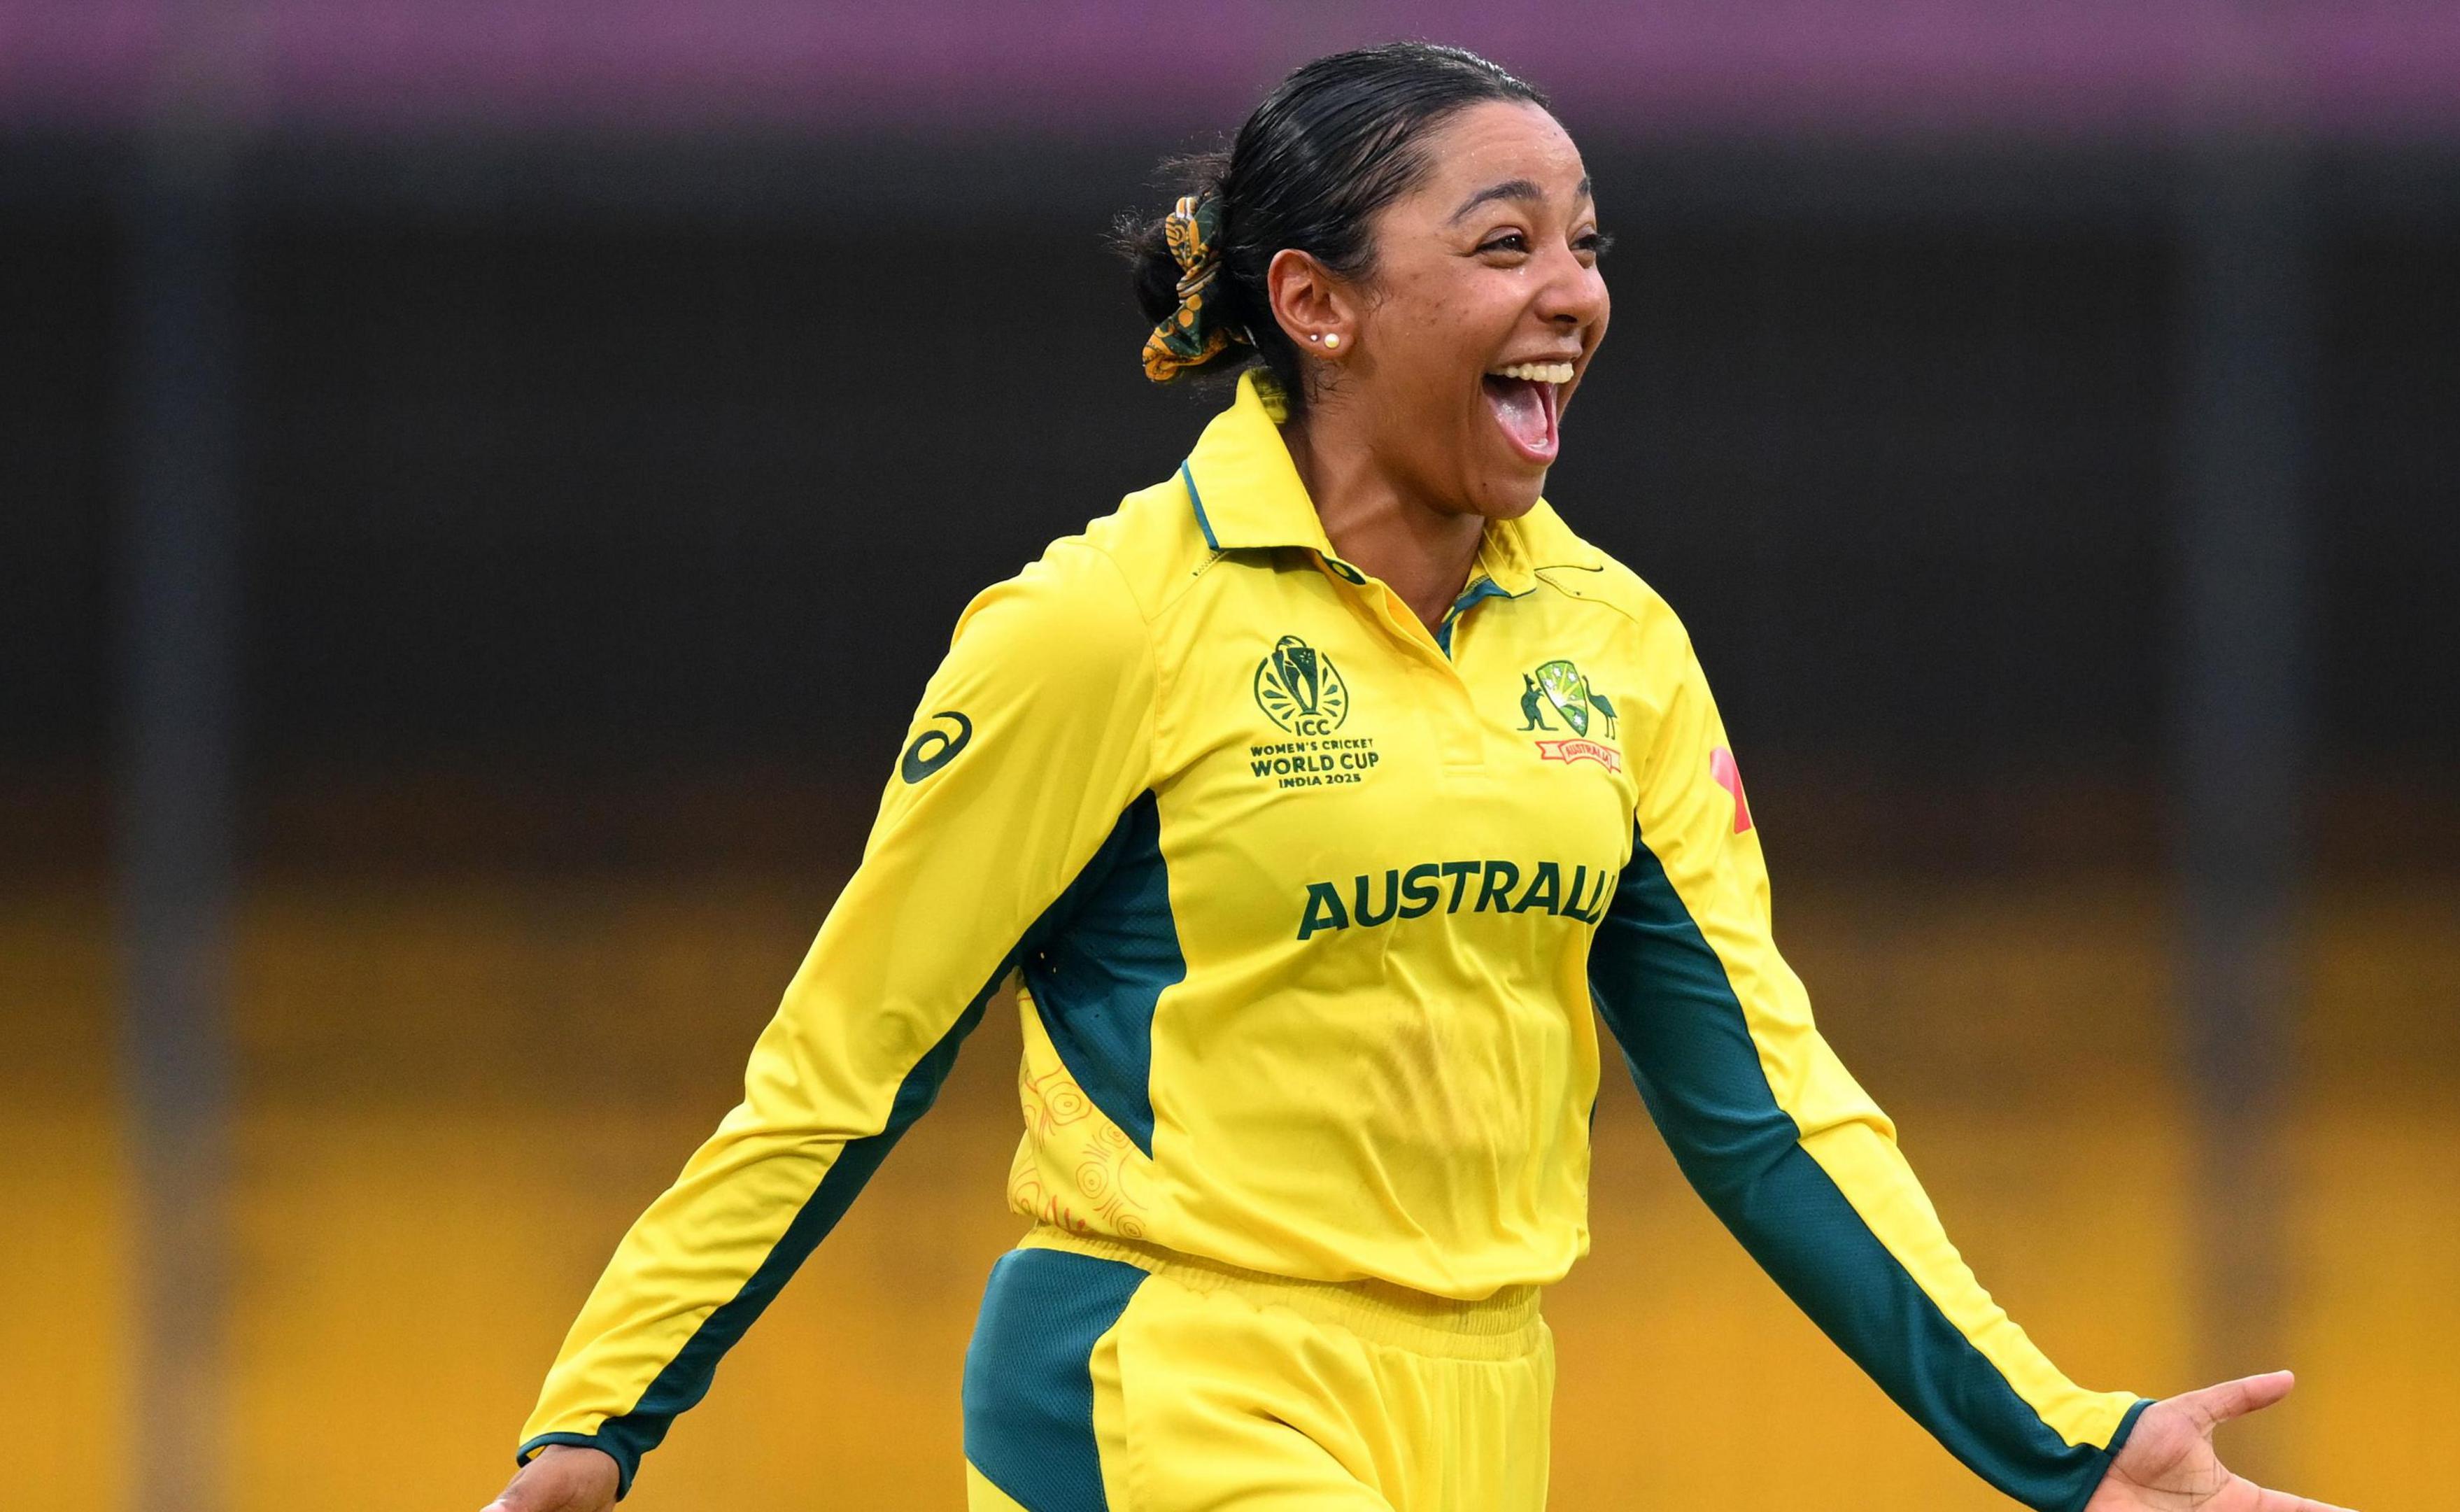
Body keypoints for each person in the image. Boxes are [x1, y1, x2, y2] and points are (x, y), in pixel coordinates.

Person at [484, 43, 2349, 1512]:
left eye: (1590, 242)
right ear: (1315, 302)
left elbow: (1771, 1110)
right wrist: (606, 1408)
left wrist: (2065, 1445)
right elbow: (846, 1062)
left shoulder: (1615, 648)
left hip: (1478, 1407)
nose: (1575, 295)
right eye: (1506, 243)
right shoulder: (1099, 628)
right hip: (1160, 1387)